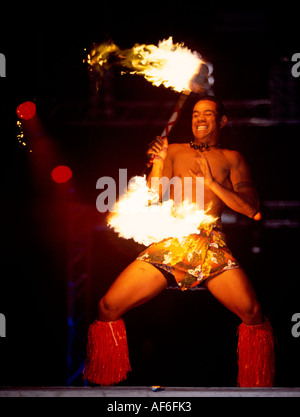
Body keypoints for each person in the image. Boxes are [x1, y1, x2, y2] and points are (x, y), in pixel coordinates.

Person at [83, 96, 275, 387]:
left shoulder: (233, 159)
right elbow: (154, 197)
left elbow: (251, 208)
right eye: (196, 113)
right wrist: (158, 164)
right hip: (171, 241)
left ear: (222, 121)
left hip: (208, 244)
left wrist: (213, 184)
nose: (200, 118)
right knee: (107, 307)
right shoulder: (172, 150)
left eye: (208, 114)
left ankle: (259, 390)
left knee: (253, 313)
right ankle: (103, 386)